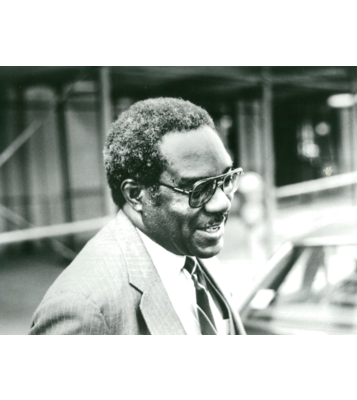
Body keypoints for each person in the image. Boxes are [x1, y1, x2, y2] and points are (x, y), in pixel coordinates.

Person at [29, 97, 246, 335]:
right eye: (198, 189)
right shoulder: (83, 308)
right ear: (135, 195)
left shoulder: (193, 252)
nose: (222, 203)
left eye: (226, 179)